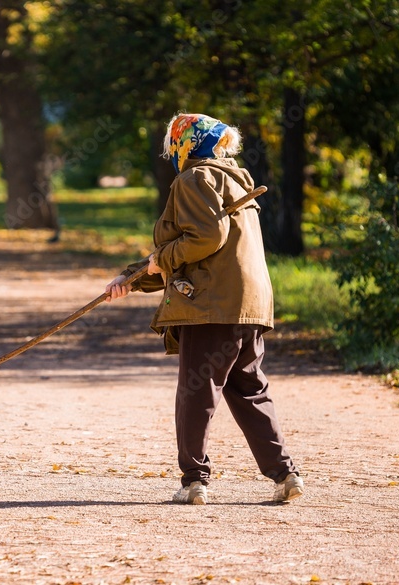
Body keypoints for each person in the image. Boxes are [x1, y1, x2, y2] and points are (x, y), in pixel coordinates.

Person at [105, 113, 303, 505]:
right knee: (249, 390)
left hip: (212, 307)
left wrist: (160, 258)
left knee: (197, 392)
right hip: (248, 305)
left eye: (173, 145)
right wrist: (133, 277)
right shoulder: (233, 180)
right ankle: (286, 476)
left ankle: (194, 481)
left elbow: (206, 238)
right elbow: (203, 252)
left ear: (186, 145)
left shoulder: (194, 179)